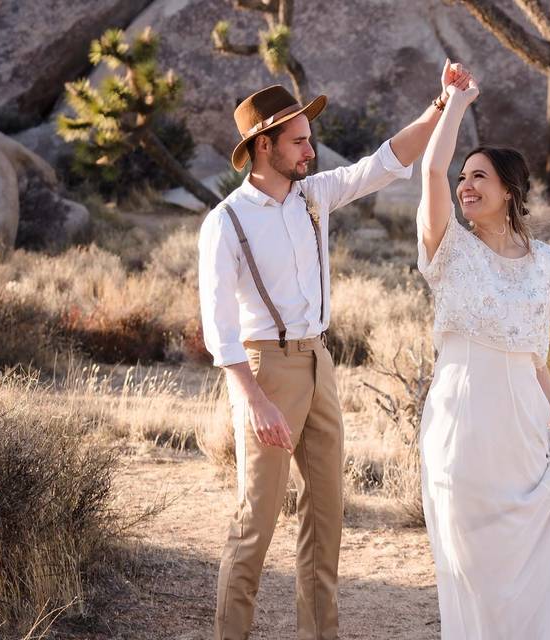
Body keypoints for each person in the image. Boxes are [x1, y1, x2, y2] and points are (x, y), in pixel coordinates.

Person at [198, 61, 471, 640]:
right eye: (298, 141)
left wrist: (441, 104)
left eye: (310, 138)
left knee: (325, 524)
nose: (310, 150)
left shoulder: (313, 197)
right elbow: (218, 329)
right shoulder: (225, 223)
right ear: (262, 145)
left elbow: (384, 162)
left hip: (320, 364)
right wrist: (254, 400)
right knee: (255, 526)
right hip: (264, 369)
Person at [415, 70, 550, 638]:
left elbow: (535, 356)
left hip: (525, 430)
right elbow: (429, 171)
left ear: (511, 190)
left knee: (532, 569)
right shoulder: (449, 247)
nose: (466, 186)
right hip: (463, 427)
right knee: (474, 569)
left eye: (480, 177)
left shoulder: (544, 261)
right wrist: (458, 104)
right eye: (464, 176)